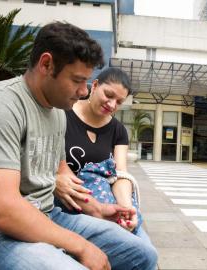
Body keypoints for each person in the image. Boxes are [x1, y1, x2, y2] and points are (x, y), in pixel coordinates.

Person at [0, 22, 157, 270]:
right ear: (46, 65)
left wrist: (98, 209)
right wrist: (82, 246)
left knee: (142, 255)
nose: (83, 91)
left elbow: (62, 174)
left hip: (48, 217)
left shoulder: (57, 114)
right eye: (77, 80)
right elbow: (2, 211)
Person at [54, 67, 149, 241]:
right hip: (67, 203)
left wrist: (127, 209)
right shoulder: (62, 115)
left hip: (106, 201)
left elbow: (120, 174)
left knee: (143, 245)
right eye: (109, 95)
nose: (112, 105)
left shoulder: (118, 130)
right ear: (95, 85)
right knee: (136, 250)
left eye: (119, 102)